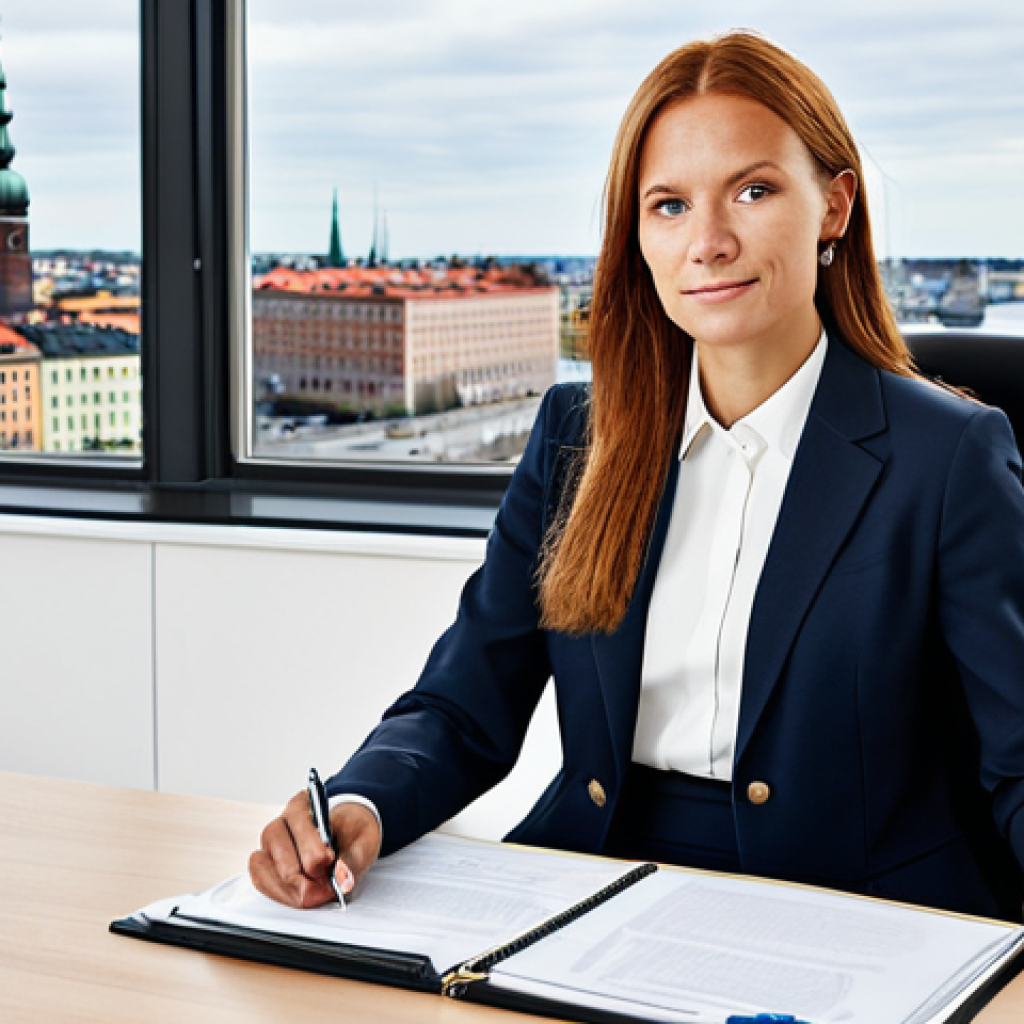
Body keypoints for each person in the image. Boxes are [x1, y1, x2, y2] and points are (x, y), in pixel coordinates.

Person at [250, 30, 1024, 921]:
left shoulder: (948, 457)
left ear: (834, 207)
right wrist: (359, 804)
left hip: (855, 916)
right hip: (590, 890)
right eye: (669, 205)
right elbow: (465, 703)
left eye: (754, 191)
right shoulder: (576, 438)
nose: (709, 242)